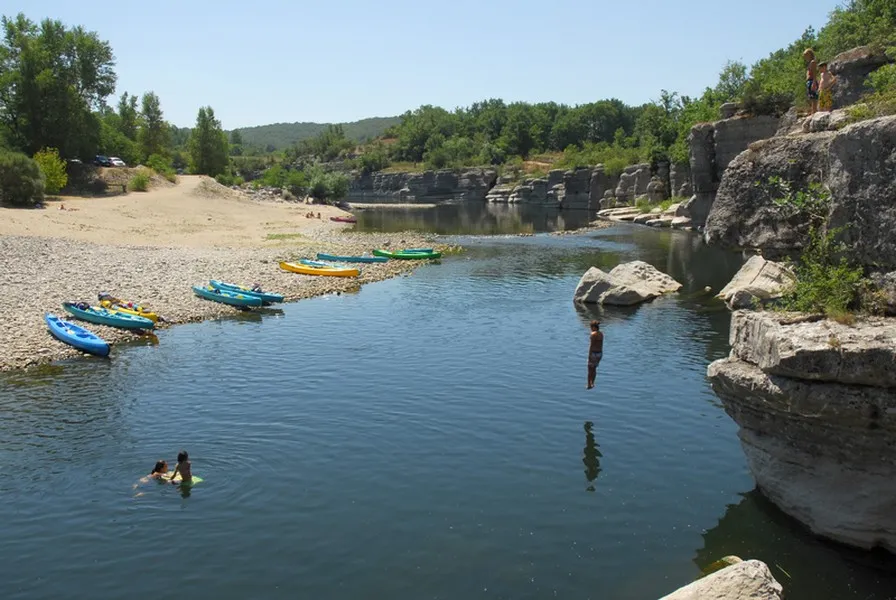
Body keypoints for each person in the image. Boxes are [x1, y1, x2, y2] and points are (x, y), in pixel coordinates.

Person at [587, 320, 604, 390]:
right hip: (599, 353)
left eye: (591, 327)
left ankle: (588, 384)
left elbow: (591, 345)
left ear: (594, 327)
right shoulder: (601, 334)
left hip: (593, 353)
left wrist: (589, 355)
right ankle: (593, 383)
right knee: (594, 369)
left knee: (589, 369)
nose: (590, 329)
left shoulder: (593, 334)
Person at [804, 48, 819, 114]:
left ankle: (814, 111)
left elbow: (814, 73)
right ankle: (813, 110)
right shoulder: (809, 63)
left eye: (806, 55)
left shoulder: (813, 62)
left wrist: (814, 82)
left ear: (809, 54)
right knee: (811, 97)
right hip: (809, 81)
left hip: (812, 81)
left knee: (814, 98)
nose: (805, 57)